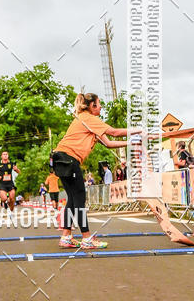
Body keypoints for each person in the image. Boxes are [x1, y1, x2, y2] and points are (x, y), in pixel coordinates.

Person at [51, 92, 140, 249]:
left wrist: (131, 142)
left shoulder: (85, 120)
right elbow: (114, 132)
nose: (100, 107)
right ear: (92, 105)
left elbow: (108, 143)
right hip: (69, 159)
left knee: (72, 199)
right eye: (99, 104)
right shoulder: (89, 118)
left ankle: (66, 236)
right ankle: (87, 238)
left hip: (60, 158)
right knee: (79, 199)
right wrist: (138, 130)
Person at [0, 151, 20, 222]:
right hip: (3, 184)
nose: (5, 155)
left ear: (8, 156)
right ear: (1, 156)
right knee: (4, 198)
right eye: (4, 154)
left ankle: (11, 211)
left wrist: (16, 169)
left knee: (12, 198)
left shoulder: (11, 164)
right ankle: (6, 203)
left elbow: (19, 172)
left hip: (10, 184)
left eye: (6, 154)